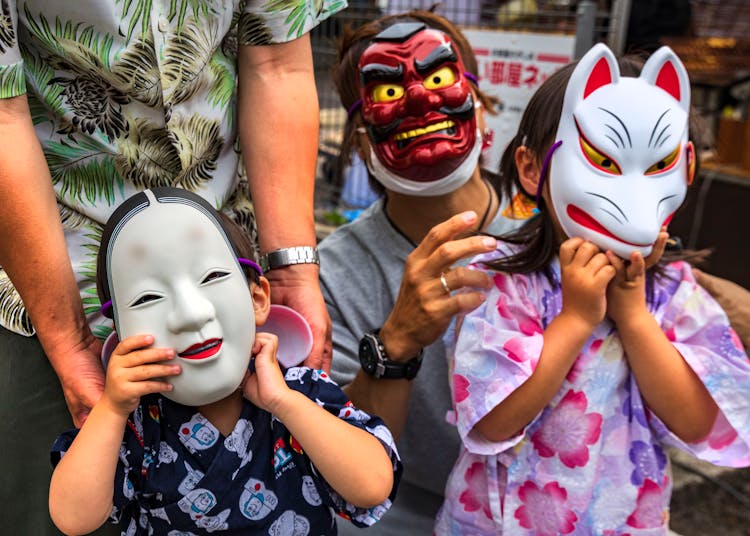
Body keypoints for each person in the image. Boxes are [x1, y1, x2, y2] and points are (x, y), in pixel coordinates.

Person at [0, 1, 342, 533]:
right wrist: (67, 341)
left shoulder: (274, 363)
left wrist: (292, 269)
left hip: (241, 266)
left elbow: (279, 60)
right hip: (57, 283)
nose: (184, 313)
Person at [434, 43, 750, 534]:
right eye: (604, 160)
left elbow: (698, 421)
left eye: (659, 163)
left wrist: (635, 315)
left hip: (625, 522)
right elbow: (493, 421)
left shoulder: (670, 291)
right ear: (533, 168)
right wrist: (577, 319)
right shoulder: (501, 279)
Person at [48, 187, 401, 535]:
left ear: (258, 298)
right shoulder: (135, 423)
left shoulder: (301, 392)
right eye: (147, 298)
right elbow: (73, 517)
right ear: (121, 332)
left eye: (212, 277)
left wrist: (285, 402)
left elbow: (372, 486)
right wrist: (110, 410)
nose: (189, 314)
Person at [320, 10, 537, 534]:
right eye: (389, 93)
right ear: (359, 141)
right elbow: (345, 470)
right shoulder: (336, 273)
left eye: (439, 78)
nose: (422, 100)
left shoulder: (551, 219)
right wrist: (395, 344)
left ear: (481, 103)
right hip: (416, 509)